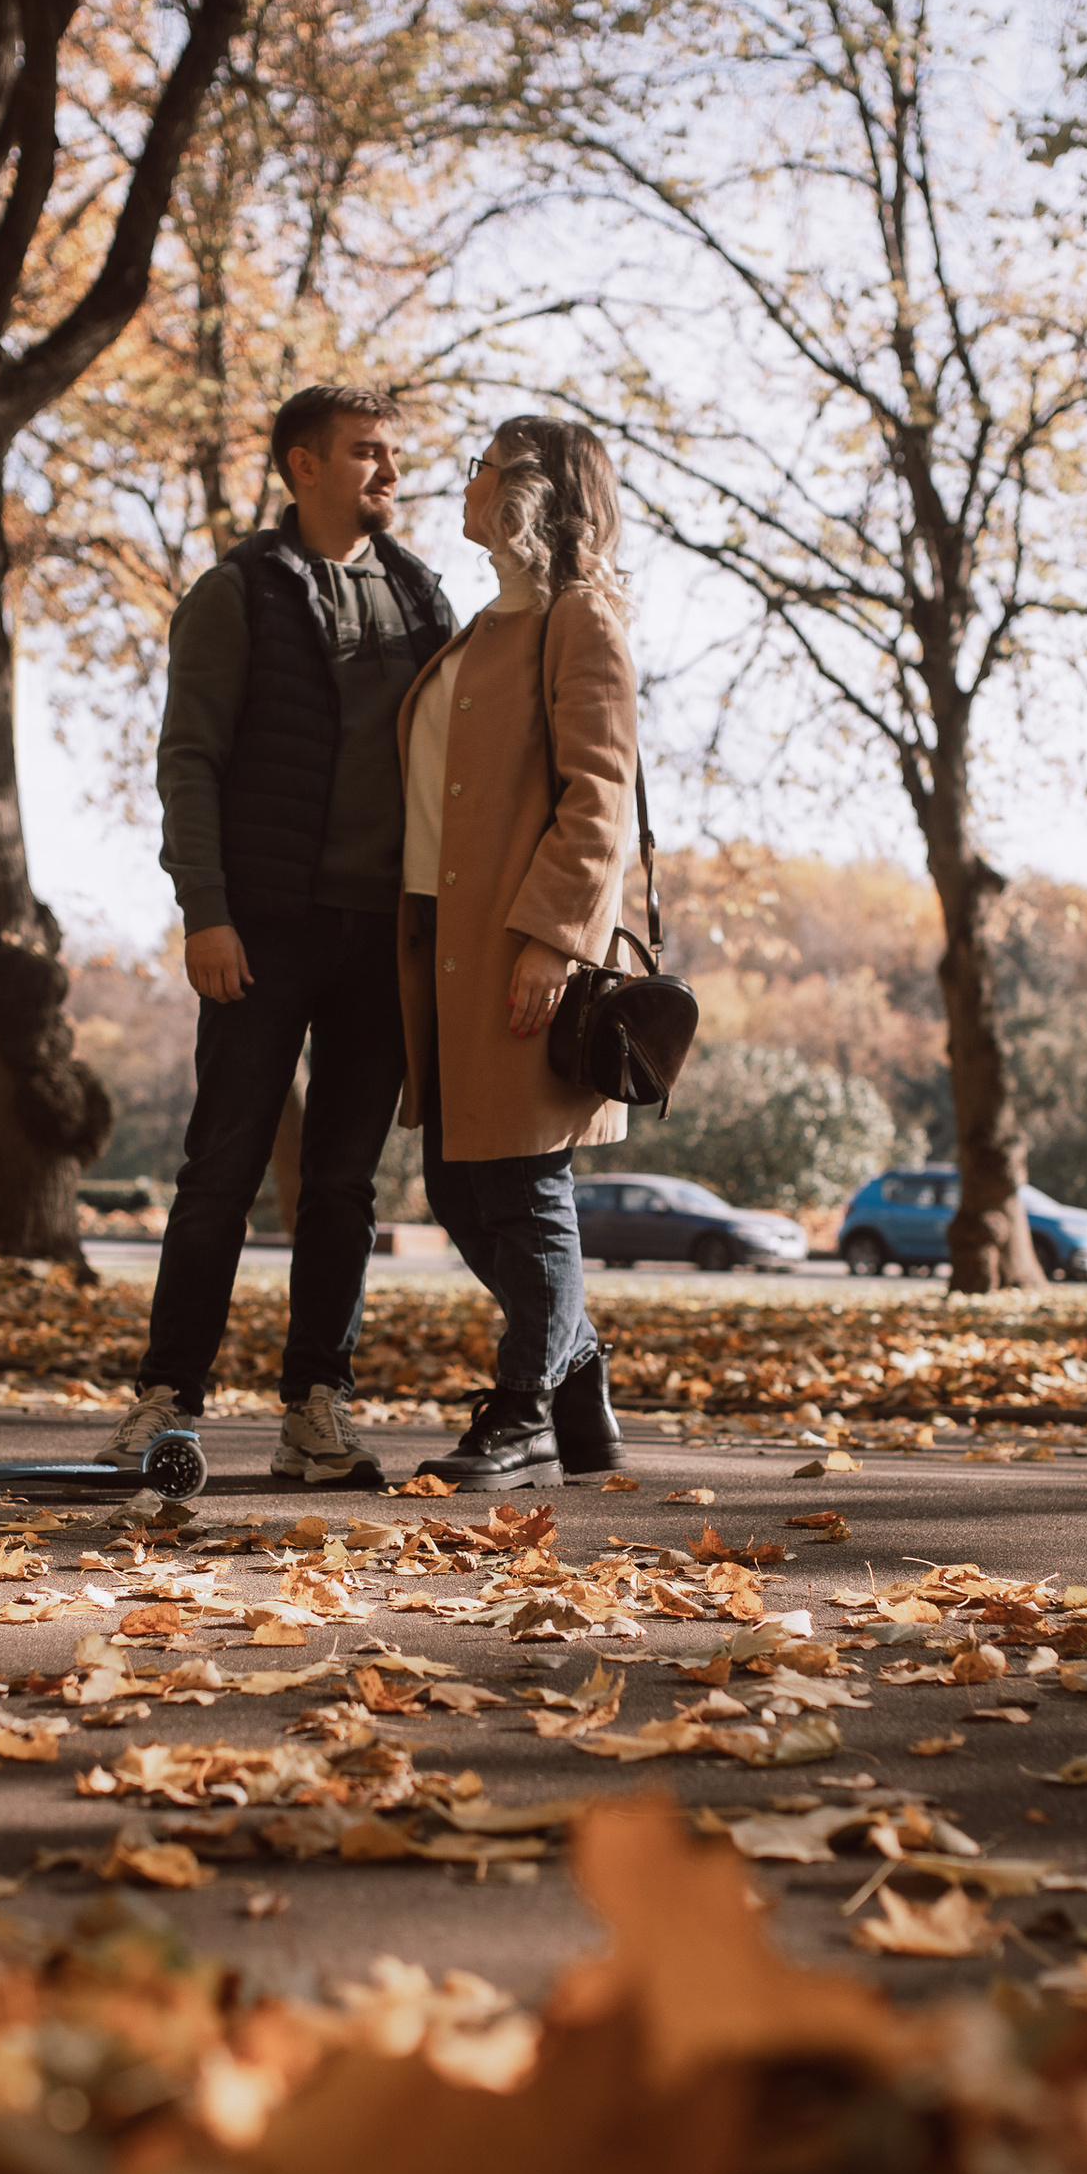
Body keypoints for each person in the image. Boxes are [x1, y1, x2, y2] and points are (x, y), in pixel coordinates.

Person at [112, 384, 455, 1490]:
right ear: (302, 466)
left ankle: (317, 1406)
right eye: (366, 453)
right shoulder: (237, 593)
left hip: (382, 936)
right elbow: (190, 759)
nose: (388, 473)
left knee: (345, 1185)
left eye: (393, 454)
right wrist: (204, 910)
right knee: (220, 1171)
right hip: (262, 928)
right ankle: (167, 1400)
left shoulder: (423, 600)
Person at [396, 417, 637, 1490]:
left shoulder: (577, 617)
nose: (466, 481)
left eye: (482, 467)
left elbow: (601, 796)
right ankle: (574, 1365)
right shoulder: (480, 624)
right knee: (454, 1184)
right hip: (438, 952)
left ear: (530, 493)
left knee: (528, 1187)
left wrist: (551, 937)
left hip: (520, 945)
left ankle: (527, 1408)